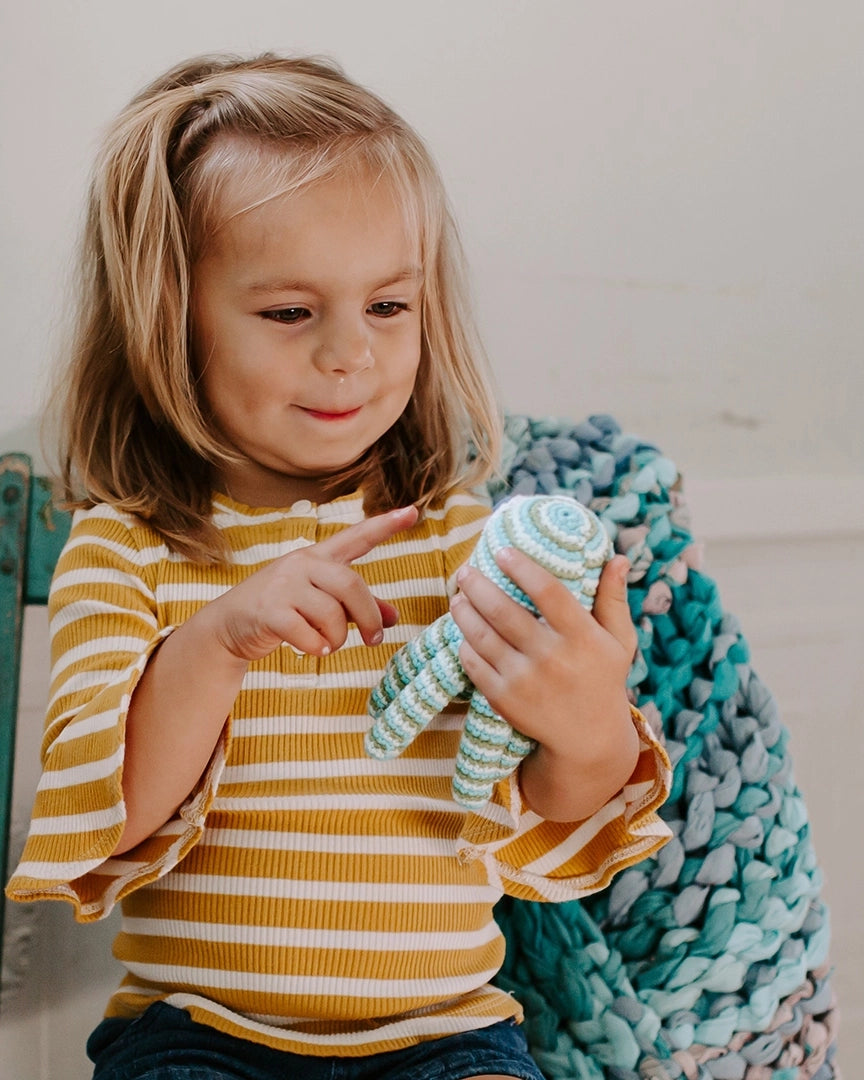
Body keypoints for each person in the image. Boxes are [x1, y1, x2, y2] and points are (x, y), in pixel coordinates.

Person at [6, 53, 672, 1080]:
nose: (349, 354)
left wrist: (586, 719)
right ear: (168, 320)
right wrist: (223, 637)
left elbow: (557, 811)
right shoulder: (127, 551)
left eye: (389, 307)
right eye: (288, 312)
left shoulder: (459, 541)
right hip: (199, 1033)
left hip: (445, 1035)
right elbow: (111, 814)